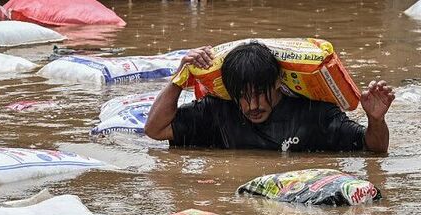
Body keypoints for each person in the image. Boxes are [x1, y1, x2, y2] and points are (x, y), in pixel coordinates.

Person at [144, 42, 395, 153]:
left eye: (259, 94)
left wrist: (375, 120)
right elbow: (155, 129)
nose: (252, 105)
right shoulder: (216, 112)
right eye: (242, 97)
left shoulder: (314, 114)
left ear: (278, 83)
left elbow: (374, 150)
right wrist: (180, 77)